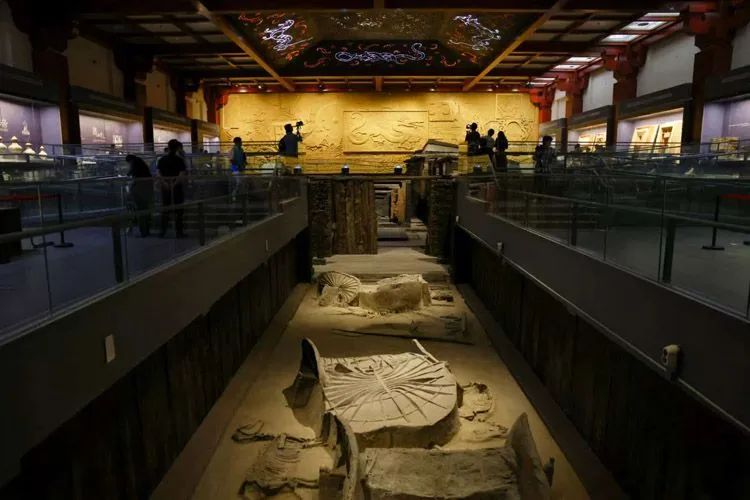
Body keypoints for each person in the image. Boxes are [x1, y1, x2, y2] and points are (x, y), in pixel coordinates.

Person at [157, 139, 187, 237]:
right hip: (177, 188)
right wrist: (174, 184)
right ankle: (179, 232)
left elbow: (159, 173)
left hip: (165, 188)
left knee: (165, 210)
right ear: (177, 148)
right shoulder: (179, 160)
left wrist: (165, 183)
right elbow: (181, 174)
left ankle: (162, 231)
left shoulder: (162, 159)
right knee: (179, 211)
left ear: (168, 147)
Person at [125, 154, 154, 237]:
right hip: (147, 189)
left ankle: (143, 231)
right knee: (146, 209)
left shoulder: (134, 162)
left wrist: (127, 176)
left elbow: (131, 172)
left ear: (130, 160)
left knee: (140, 211)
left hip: (140, 190)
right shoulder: (141, 163)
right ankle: (146, 230)